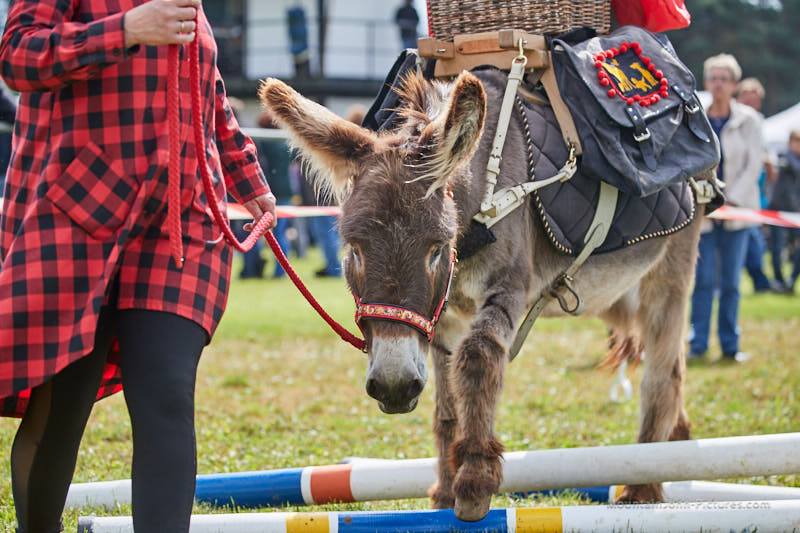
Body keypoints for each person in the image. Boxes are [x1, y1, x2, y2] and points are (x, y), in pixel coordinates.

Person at [0, 1, 276, 531]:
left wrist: (248, 178)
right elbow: (17, 57)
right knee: (61, 410)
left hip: (179, 222)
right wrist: (124, 30)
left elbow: (206, 87)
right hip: (80, 211)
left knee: (169, 397)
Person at [689, 54, 762, 363]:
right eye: (713, 78)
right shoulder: (695, 116)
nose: (717, 84)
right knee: (702, 281)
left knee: (731, 283)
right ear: (707, 82)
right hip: (704, 215)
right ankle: (698, 343)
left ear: (734, 84)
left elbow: (753, 164)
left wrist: (729, 197)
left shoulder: (750, 121)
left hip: (738, 212)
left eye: (723, 78)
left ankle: (730, 346)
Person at [735, 77, 775, 293]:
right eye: (747, 101)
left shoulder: (758, 122)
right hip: (733, 193)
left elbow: (764, 160)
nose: (751, 106)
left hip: (754, 193)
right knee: (750, 242)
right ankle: (760, 281)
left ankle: (759, 280)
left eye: (755, 101)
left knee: (753, 241)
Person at [768, 130, 800, 294]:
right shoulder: (784, 157)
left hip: (796, 214)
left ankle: (791, 281)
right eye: (796, 141)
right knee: (776, 249)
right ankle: (779, 282)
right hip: (778, 212)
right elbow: (788, 164)